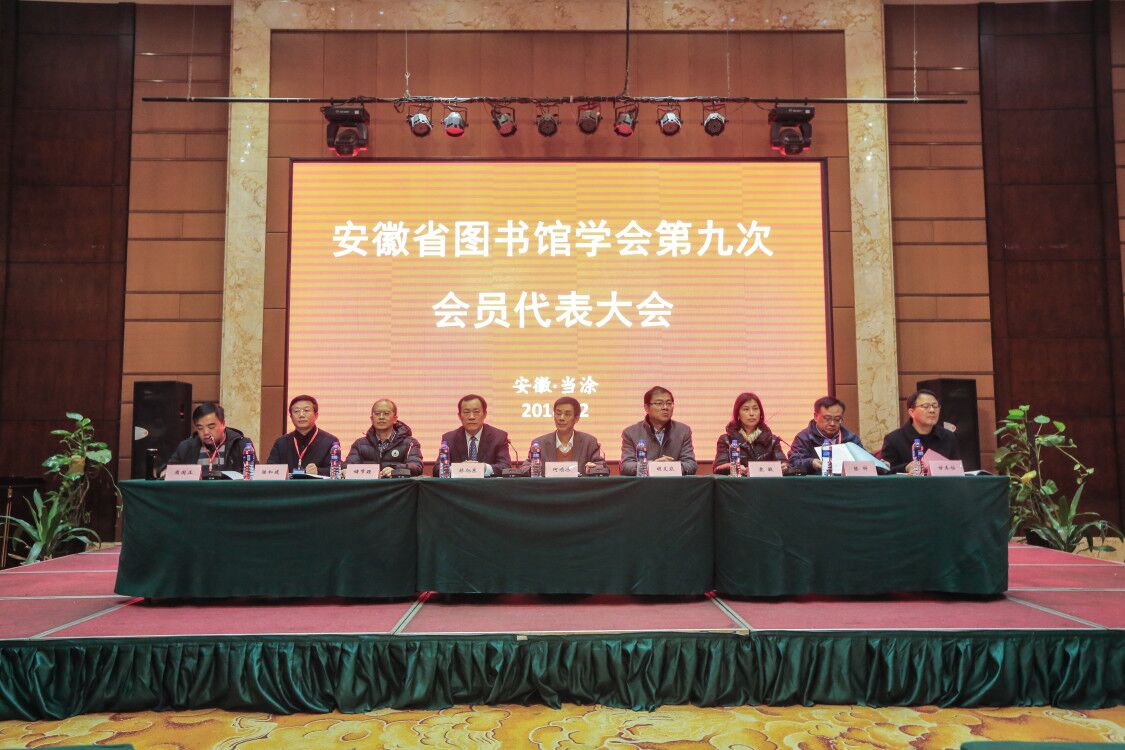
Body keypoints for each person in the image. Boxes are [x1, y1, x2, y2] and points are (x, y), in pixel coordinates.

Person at [620, 386, 697, 475]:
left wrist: (671, 467)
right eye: (659, 403)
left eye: (669, 403)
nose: (665, 407)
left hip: (674, 482)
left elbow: (691, 465)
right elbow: (626, 466)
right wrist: (653, 466)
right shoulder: (631, 433)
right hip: (645, 483)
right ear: (646, 408)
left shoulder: (683, 431)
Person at [880, 389, 961, 474]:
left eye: (935, 406)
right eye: (926, 406)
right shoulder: (894, 440)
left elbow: (957, 471)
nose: (932, 410)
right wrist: (906, 468)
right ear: (911, 412)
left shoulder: (948, 437)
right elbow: (884, 471)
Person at [523, 396, 606, 475]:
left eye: (567, 414)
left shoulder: (589, 442)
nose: (561, 418)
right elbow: (524, 468)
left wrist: (593, 468)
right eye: (558, 413)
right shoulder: (539, 443)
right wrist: (532, 468)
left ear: (576, 418)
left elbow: (601, 466)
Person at [433, 394, 512, 476]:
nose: (471, 417)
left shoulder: (499, 437)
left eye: (476, 412)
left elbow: (505, 467)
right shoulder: (449, 438)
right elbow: (437, 470)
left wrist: (483, 468)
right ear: (459, 416)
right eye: (466, 412)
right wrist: (460, 468)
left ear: (485, 414)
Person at [345, 398, 423, 477]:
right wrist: (345, 470)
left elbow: (416, 467)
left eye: (386, 413)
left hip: (397, 484)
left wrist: (396, 470)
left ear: (395, 419)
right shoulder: (360, 444)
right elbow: (347, 467)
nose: (381, 417)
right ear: (371, 419)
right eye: (377, 414)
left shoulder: (410, 443)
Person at [787, 396, 864, 475]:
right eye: (827, 418)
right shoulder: (803, 438)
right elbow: (793, 463)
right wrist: (810, 463)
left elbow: (865, 462)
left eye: (837, 419)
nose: (832, 424)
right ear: (815, 416)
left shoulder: (850, 438)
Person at [713, 392, 786, 474]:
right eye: (746, 409)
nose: (752, 413)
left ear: (761, 413)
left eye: (755, 409)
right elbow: (718, 468)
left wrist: (784, 467)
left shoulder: (772, 440)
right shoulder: (726, 440)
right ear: (738, 414)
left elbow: (784, 464)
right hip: (739, 481)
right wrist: (734, 468)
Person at [166, 402, 251, 473]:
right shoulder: (186, 447)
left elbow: (253, 476)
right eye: (200, 428)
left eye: (211, 427)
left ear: (223, 423)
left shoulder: (242, 445)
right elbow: (168, 473)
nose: (206, 432)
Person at [264, 394, 340, 474]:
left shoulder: (330, 441)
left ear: (316, 415)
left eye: (306, 410)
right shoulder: (281, 443)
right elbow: (270, 470)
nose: (301, 415)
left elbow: (337, 470)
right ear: (291, 417)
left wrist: (318, 471)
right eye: (296, 411)